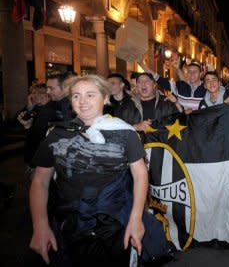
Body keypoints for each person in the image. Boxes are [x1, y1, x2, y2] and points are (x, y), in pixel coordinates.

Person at [29, 75, 174, 266]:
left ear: (105, 98)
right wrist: (40, 225)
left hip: (114, 225)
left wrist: (136, 218)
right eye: (76, 96)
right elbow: (40, 181)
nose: (82, 101)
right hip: (69, 226)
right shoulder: (57, 134)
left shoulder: (124, 132)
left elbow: (140, 175)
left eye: (90, 95)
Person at [17, 83, 55, 168]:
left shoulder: (50, 109)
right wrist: (30, 106)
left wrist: (28, 127)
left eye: (40, 93)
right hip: (32, 155)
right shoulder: (34, 107)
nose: (36, 95)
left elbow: (39, 134)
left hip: (43, 158)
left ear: (47, 94)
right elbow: (16, 120)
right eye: (34, 93)